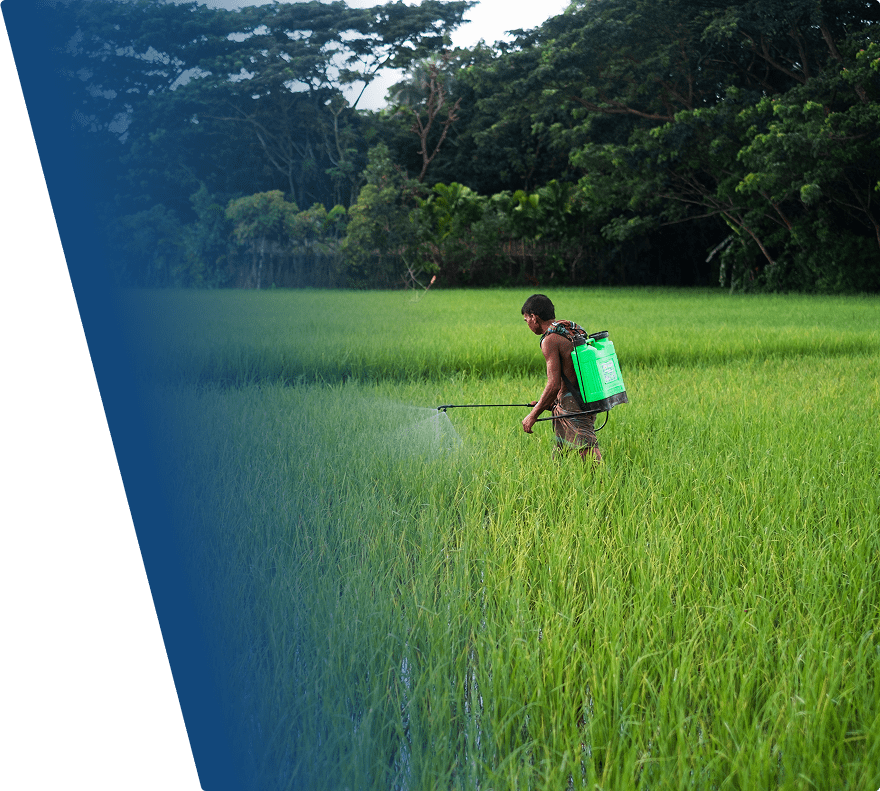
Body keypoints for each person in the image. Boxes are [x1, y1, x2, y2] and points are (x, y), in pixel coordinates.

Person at [521, 294, 602, 463]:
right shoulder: (570, 329)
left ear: (534, 317)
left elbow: (553, 385)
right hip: (586, 396)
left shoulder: (550, 340)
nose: (527, 323)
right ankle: (559, 485)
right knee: (560, 456)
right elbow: (570, 375)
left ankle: (607, 484)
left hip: (574, 405)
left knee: (589, 454)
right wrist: (547, 404)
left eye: (526, 319)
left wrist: (533, 415)